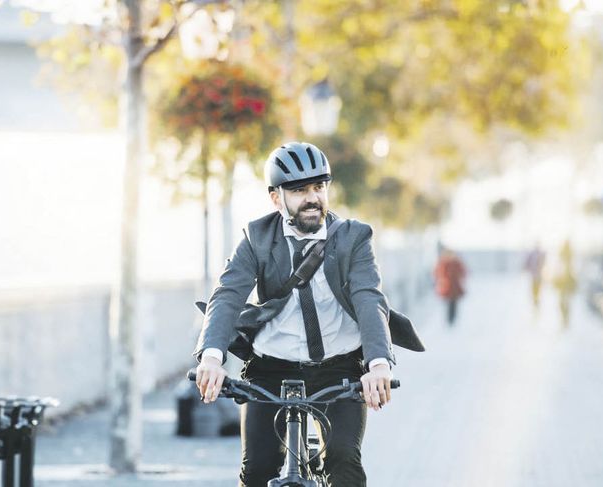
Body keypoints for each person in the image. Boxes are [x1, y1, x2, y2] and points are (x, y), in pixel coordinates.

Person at [192, 141, 415, 487]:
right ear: (276, 198)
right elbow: (227, 295)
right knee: (256, 471)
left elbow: (369, 299)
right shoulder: (257, 238)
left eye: (319, 187)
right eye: (299, 190)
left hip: (339, 367)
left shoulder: (353, 238)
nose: (313, 198)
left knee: (344, 463)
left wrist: (378, 365)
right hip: (271, 366)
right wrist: (211, 357)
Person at [433, 248, 466, 326]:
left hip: (455, 287)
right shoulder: (443, 263)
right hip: (447, 287)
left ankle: (453, 318)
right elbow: (437, 273)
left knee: (454, 304)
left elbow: (463, 272)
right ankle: (449, 319)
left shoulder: (457, 263)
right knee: (448, 304)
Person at [553, 239, 577, 328]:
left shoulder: (569, 255)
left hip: (565, 282)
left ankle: (565, 318)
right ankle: (565, 318)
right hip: (565, 282)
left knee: (564, 301)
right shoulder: (565, 254)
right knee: (564, 302)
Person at [524, 244, 546, 311]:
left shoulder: (537, 254)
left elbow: (543, 263)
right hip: (536, 276)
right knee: (535, 289)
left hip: (536, 276)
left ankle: (536, 301)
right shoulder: (537, 254)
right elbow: (528, 263)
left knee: (536, 289)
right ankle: (535, 301)